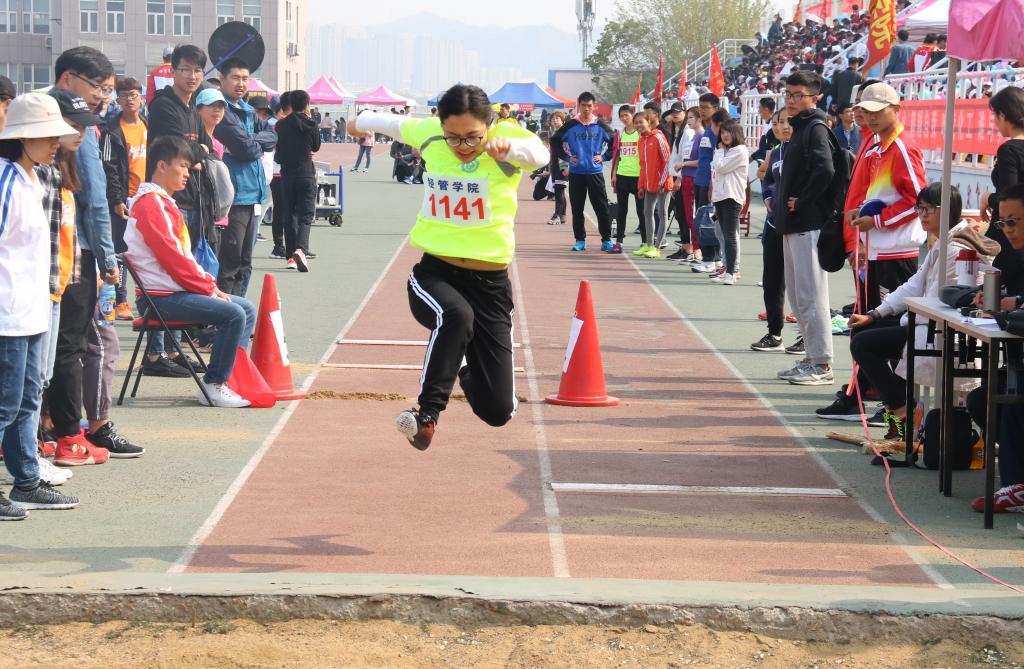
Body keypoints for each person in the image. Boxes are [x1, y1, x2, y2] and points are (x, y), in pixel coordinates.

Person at [349, 84, 548, 450]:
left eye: (472, 137)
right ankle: (426, 416)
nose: (462, 146)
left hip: (490, 285)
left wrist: (509, 150)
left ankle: (461, 360)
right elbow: (390, 124)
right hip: (435, 275)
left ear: (489, 125)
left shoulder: (505, 136)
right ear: (440, 126)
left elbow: (539, 155)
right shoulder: (429, 134)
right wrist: (359, 121)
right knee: (456, 315)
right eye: (453, 137)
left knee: (498, 411)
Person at [849, 184, 997, 439]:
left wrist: (894, 318)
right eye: (919, 208)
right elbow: (914, 284)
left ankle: (900, 409)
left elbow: (934, 302)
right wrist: (875, 314)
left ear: (947, 209)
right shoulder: (943, 243)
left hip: (941, 333)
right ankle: (899, 408)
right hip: (925, 325)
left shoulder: (955, 249)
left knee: (863, 344)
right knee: (865, 332)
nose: (922, 214)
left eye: (928, 209)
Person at [124, 136, 257, 408]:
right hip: (159, 298)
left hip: (173, 292)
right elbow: (174, 259)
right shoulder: (150, 204)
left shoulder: (163, 202)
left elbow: (180, 258)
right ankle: (214, 384)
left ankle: (230, 378)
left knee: (247, 309)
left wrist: (209, 287)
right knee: (233, 313)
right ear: (162, 166)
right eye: (183, 166)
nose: (188, 173)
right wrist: (209, 288)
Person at [0, 93, 82, 518]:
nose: (55, 143)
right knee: (5, 405)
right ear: (21, 137)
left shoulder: (34, 177)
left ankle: (27, 481)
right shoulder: (6, 180)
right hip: (7, 315)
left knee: (28, 398)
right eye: (47, 136)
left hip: (31, 310)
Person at [46, 47, 128, 465]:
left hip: (53, 249)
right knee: (72, 346)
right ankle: (68, 436)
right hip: (72, 251)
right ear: (67, 79)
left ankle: (49, 432)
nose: (101, 97)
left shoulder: (39, 116)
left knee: (50, 348)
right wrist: (108, 260)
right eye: (97, 87)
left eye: (107, 90)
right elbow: (95, 199)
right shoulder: (71, 125)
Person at [144, 44, 212, 378]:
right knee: (164, 273)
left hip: (189, 199)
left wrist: (198, 152)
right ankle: (155, 355)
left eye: (197, 70)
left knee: (181, 272)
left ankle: (171, 348)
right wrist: (197, 153)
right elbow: (179, 151)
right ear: (173, 71)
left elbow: (203, 149)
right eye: (185, 69)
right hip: (165, 200)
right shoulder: (163, 106)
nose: (192, 76)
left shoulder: (192, 108)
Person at [774, 71, 837, 387]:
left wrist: (802, 200)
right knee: (800, 297)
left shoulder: (815, 128)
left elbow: (826, 169)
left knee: (812, 296)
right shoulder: (800, 128)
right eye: (788, 94)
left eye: (798, 94)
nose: (791, 100)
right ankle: (812, 357)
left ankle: (822, 363)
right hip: (793, 225)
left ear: (816, 97)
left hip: (808, 224)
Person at [966, 185, 1024, 513]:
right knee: (983, 398)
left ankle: (1015, 482)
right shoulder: (1014, 255)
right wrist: (1008, 301)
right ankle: (1017, 479)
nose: (1007, 230)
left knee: (1013, 392)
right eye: (1003, 223)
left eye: (1013, 222)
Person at [213, 57, 276, 298]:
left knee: (244, 262)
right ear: (222, 79)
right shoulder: (222, 110)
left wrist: (251, 142)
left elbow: (272, 137)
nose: (241, 83)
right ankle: (225, 314)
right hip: (234, 197)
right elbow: (246, 150)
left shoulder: (248, 110)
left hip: (254, 195)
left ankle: (240, 310)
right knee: (230, 263)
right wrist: (253, 145)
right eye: (235, 78)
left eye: (245, 78)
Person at [101, 76, 147, 322]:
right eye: (125, 95)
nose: (130, 99)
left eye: (134, 95)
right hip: (123, 200)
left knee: (145, 251)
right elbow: (108, 168)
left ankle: (145, 298)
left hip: (145, 197)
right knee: (120, 251)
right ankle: (120, 300)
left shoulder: (148, 126)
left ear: (141, 98)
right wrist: (117, 200)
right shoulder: (111, 130)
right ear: (117, 100)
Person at [550, 91, 615, 252]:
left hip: (595, 173)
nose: (586, 109)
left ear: (594, 106)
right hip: (577, 173)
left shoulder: (600, 125)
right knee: (577, 208)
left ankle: (606, 240)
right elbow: (554, 141)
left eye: (589, 106)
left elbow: (615, 142)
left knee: (601, 207)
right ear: (579, 106)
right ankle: (580, 240)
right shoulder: (571, 125)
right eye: (584, 105)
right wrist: (567, 157)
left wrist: (604, 156)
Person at [752, 111, 792, 351]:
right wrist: (767, 197)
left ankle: (806, 337)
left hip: (798, 227)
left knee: (800, 285)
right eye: (776, 123)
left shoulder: (803, 150)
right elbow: (766, 178)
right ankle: (774, 333)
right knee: (772, 281)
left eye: (784, 121)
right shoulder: (775, 152)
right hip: (773, 224)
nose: (779, 127)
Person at [980, 86, 1024, 295]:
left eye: (995, 116)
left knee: (991, 296)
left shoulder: (1009, 150)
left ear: (1003, 115)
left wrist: (988, 198)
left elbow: (1009, 196)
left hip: (1010, 238)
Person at [274, 89, 321, 273]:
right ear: (307, 105)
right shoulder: (312, 124)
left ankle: (291, 258)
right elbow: (316, 147)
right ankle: (301, 249)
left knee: (289, 215)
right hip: (306, 174)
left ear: (290, 105)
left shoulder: (280, 125)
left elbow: (278, 152)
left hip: (287, 175)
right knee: (306, 215)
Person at [709, 119, 749, 285]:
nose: (725, 135)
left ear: (736, 133)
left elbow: (721, 167)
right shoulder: (725, 150)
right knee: (723, 234)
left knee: (730, 235)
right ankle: (727, 269)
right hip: (720, 196)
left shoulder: (740, 150)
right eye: (723, 132)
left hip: (732, 197)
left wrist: (719, 151)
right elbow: (717, 170)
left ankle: (732, 272)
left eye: (728, 132)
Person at [633, 109, 673, 259]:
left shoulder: (658, 137)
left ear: (649, 121)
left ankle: (657, 248)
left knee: (662, 213)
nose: (638, 125)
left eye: (641, 122)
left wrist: (662, 181)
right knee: (647, 212)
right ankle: (648, 244)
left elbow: (668, 161)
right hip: (649, 184)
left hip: (663, 184)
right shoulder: (641, 140)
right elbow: (642, 166)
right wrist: (641, 185)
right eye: (636, 123)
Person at [690, 94, 721, 273]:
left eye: (705, 108)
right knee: (702, 220)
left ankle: (712, 259)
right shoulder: (705, 130)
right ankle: (712, 258)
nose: (702, 111)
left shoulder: (717, 132)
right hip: (699, 180)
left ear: (715, 109)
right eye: (700, 107)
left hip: (710, 183)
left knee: (710, 221)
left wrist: (712, 185)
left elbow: (717, 160)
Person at [610, 106, 643, 250]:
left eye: (626, 115)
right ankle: (619, 242)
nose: (624, 118)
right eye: (621, 116)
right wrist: (614, 174)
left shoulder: (639, 133)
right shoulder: (620, 133)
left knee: (641, 211)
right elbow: (617, 155)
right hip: (622, 176)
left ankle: (645, 242)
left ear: (632, 115)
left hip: (637, 177)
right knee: (621, 211)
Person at [674, 107, 704, 264]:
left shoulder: (701, 136)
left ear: (699, 119)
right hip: (686, 178)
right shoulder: (693, 137)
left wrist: (684, 164)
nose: (688, 120)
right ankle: (694, 249)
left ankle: (697, 251)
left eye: (691, 117)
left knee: (693, 216)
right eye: (688, 117)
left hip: (693, 179)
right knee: (688, 216)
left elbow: (702, 160)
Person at [269, 91, 291, 259]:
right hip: (277, 173)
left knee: (290, 210)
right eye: (284, 111)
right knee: (280, 210)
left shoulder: (285, 125)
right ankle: (278, 246)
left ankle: (295, 246)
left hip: (288, 172)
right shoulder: (273, 126)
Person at [545, 111, 569, 226]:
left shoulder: (565, 133)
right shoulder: (555, 131)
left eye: (557, 118)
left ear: (562, 120)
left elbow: (567, 150)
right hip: (554, 163)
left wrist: (565, 166)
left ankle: (557, 215)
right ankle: (563, 215)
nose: (555, 120)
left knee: (559, 190)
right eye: (553, 119)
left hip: (562, 164)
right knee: (560, 190)